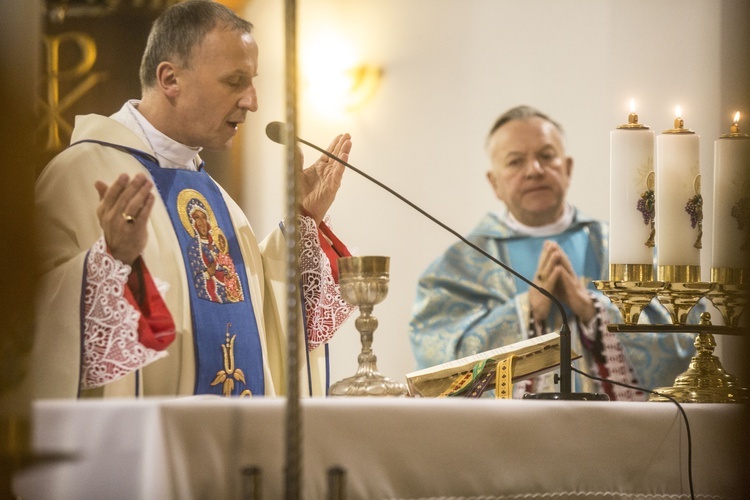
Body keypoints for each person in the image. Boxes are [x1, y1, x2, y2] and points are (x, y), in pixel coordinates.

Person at [32, 0, 356, 399]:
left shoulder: (217, 198)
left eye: (252, 81)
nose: (252, 100)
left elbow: (264, 318)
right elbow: (25, 322)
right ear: (169, 79)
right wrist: (108, 262)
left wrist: (304, 221)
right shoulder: (80, 175)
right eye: (235, 81)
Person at [409, 105, 695, 400]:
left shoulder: (626, 249)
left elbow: (683, 346)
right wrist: (526, 310)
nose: (534, 170)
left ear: (567, 168)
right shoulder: (460, 265)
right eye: (515, 162)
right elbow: (437, 364)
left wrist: (592, 310)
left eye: (546, 156)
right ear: (494, 182)